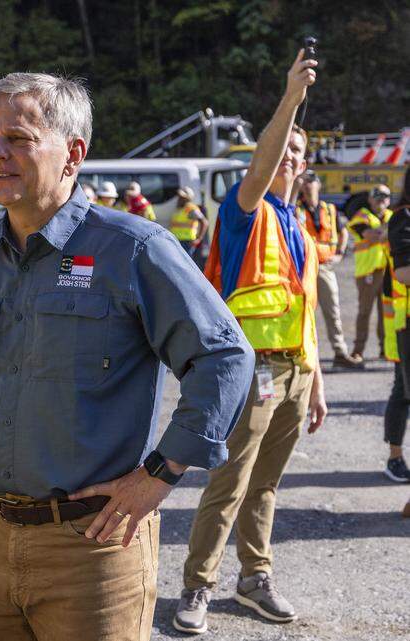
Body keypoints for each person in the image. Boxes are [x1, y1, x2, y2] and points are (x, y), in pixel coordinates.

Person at [0, 71, 254, 641]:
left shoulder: (133, 249)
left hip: (94, 547)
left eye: (18, 139)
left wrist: (161, 474)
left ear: (73, 154)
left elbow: (223, 356)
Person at [177, 50, 328, 634]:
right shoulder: (246, 210)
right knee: (230, 482)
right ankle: (198, 585)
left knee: (265, 485)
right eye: (283, 148)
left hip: (294, 374)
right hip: (250, 373)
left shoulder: (300, 227)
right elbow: (263, 164)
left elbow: (304, 310)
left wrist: (316, 381)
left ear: (306, 164)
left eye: (297, 151)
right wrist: (292, 100)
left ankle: (253, 577)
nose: (288, 156)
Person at [296, 174, 361, 369]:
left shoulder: (329, 209)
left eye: (311, 181)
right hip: (303, 268)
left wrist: (340, 253)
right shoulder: (296, 209)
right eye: (305, 181)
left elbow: (343, 232)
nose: (308, 185)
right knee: (302, 312)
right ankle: (300, 354)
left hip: (324, 266)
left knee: (332, 311)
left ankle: (340, 352)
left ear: (318, 184)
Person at [381, 167, 410, 483]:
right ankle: (395, 457)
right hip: (405, 323)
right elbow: (403, 273)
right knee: (402, 391)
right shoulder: (403, 217)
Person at [347, 184, 394, 360]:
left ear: (389, 200)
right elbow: (370, 235)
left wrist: (384, 231)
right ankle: (358, 350)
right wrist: (389, 230)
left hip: (388, 272)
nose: (381, 200)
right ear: (370, 199)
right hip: (367, 272)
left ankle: (385, 349)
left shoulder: (393, 216)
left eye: (385, 196)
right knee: (364, 312)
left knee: (386, 313)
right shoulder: (362, 216)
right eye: (377, 196)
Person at [169, 186, 209, 261]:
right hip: (178, 240)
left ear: (187, 198)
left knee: (186, 263)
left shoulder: (191, 208)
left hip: (187, 241)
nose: (179, 198)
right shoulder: (180, 208)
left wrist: (199, 239)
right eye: (179, 196)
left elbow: (204, 222)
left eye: (182, 197)